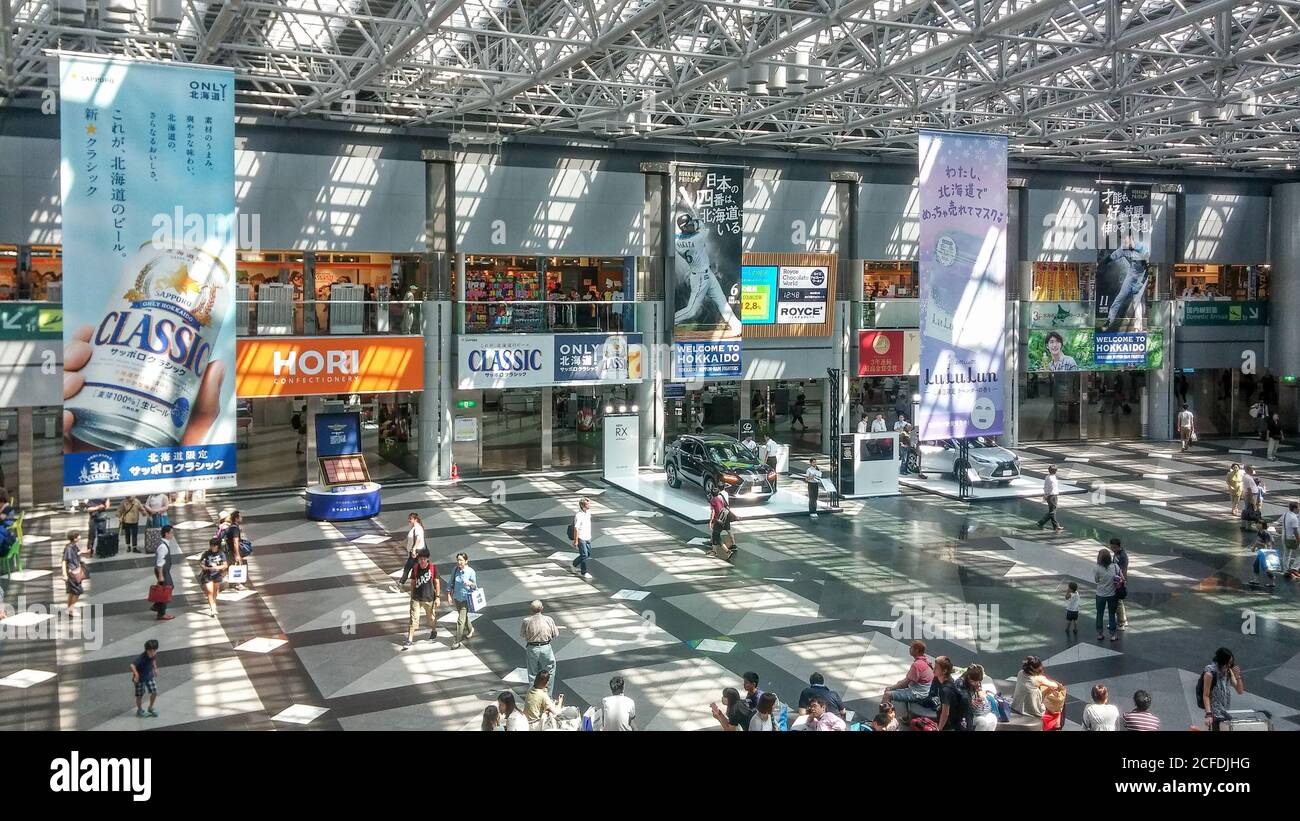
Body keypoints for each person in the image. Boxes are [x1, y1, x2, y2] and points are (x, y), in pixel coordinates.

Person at [673, 208, 742, 337]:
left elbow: (693, 230)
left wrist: (692, 224)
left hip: (707, 274)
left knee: (722, 302)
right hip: (699, 277)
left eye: (690, 224)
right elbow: (704, 228)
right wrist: (697, 221)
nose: (691, 226)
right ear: (683, 228)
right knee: (691, 311)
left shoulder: (678, 241)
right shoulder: (696, 238)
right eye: (688, 225)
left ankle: (736, 325)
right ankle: (671, 321)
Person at [1011, 656, 1066, 731]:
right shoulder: (1038, 679)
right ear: (1036, 669)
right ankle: (1057, 727)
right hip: (1031, 712)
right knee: (1059, 706)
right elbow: (1055, 686)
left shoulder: (1020, 673)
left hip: (1017, 706)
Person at [520, 600, 560, 695]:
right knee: (550, 671)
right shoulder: (548, 619)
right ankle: (548, 695)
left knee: (532, 673)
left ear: (531, 609)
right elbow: (555, 634)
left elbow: (522, 635)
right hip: (546, 647)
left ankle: (534, 695)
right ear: (542, 608)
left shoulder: (526, 621)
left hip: (532, 648)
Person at [403, 548, 440, 648]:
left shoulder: (432, 568)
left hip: (429, 598)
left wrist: (437, 597)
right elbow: (413, 582)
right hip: (416, 599)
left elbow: (436, 582)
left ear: (428, 559)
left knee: (431, 619)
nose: (422, 561)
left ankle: (434, 630)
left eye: (424, 559)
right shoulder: (415, 568)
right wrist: (412, 595)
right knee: (413, 619)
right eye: (420, 559)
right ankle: (409, 639)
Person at [1201, 648, 1246, 731]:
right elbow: (1206, 695)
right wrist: (1208, 714)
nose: (1230, 665)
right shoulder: (1210, 673)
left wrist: (1237, 676)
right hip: (1215, 713)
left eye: (1231, 663)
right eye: (1228, 663)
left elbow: (1240, 691)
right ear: (1222, 661)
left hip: (1224, 711)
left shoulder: (1228, 671)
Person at [882, 640, 934, 708]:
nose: (909, 649)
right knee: (898, 684)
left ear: (917, 650)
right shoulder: (925, 661)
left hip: (917, 694)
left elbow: (904, 684)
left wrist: (890, 688)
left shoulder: (917, 665)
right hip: (923, 691)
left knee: (887, 695)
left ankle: (884, 716)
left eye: (911, 647)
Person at [446, 552, 477, 649]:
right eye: (458, 560)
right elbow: (450, 583)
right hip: (457, 597)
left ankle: (457, 640)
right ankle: (471, 629)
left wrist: (470, 583)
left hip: (466, 599)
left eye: (461, 560)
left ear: (466, 561)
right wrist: (449, 595)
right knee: (463, 616)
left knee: (460, 620)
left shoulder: (471, 572)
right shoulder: (455, 570)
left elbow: (475, 587)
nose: (459, 562)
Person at [151, 524, 178, 621]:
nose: (172, 535)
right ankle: (161, 612)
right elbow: (160, 562)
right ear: (166, 534)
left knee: (165, 588)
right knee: (167, 589)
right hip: (162, 571)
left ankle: (157, 606)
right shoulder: (163, 546)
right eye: (171, 533)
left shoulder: (164, 543)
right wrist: (161, 576)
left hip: (164, 571)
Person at [933, 656, 967, 731]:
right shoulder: (949, 680)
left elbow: (945, 713)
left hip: (948, 725)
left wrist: (939, 728)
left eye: (936, 668)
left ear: (944, 671)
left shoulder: (945, 690)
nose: (934, 669)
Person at [1094, 548, 1121, 641]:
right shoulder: (1115, 567)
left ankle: (1100, 634)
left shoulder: (1097, 568)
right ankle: (1113, 635)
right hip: (1112, 595)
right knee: (1112, 614)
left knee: (1099, 614)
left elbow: (1096, 580)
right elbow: (1120, 578)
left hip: (1100, 595)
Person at [130, 639, 161, 718]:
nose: (152, 652)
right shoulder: (141, 658)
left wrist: (155, 669)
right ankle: (140, 710)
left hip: (149, 676)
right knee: (139, 695)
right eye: (150, 651)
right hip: (140, 679)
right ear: (146, 650)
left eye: (154, 650)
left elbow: (153, 660)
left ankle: (150, 707)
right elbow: (132, 665)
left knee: (154, 692)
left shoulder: (154, 654)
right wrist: (136, 675)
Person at [198, 537, 227, 618]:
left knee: (215, 591)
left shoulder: (221, 553)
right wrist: (204, 567)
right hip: (207, 575)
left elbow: (225, 565)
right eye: (211, 546)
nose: (213, 547)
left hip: (217, 575)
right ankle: (213, 608)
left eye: (214, 546)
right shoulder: (206, 553)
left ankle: (213, 603)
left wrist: (218, 568)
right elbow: (201, 562)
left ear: (218, 546)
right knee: (210, 592)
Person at [963, 664, 997, 731]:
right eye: (976, 681)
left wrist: (981, 697)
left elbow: (983, 698)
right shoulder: (962, 684)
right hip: (968, 715)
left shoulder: (977, 684)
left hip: (980, 712)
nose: (978, 683)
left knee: (993, 719)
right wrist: (970, 702)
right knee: (982, 722)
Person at [222, 509, 249, 592]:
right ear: (236, 518)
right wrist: (237, 554)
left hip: (229, 550)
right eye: (240, 516)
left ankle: (222, 580)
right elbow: (235, 542)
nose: (241, 518)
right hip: (232, 551)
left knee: (229, 566)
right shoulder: (235, 529)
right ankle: (238, 584)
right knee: (237, 565)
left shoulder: (231, 526)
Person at [706, 488, 735, 561]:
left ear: (711, 494)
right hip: (724, 518)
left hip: (718, 520)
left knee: (716, 536)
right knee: (714, 535)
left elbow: (713, 512)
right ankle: (714, 551)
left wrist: (710, 521)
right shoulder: (721, 497)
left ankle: (727, 551)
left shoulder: (713, 500)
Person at [569, 497, 594, 580]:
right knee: (584, 555)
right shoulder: (578, 515)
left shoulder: (588, 512)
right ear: (583, 506)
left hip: (588, 537)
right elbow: (576, 528)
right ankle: (584, 572)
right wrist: (576, 541)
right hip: (581, 537)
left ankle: (574, 564)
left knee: (588, 554)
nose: (589, 505)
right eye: (587, 504)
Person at [398, 512, 425, 585]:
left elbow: (418, 538)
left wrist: (414, 549)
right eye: (408, 519)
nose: (409, 520)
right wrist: (399, 545)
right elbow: (408, 539)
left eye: (410, 519)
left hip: (416, 552)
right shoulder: (414, 528)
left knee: (407, 568)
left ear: (415, 520)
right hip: (414, 552)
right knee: (414, 569)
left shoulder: (417, 528)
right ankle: (420, 584)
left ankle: (401, 583)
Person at [62, 531, 86, 608]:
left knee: (72, 592)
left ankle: (69, 609)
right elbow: (64, 561)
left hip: (75, 572)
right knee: (77, 592)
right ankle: (71, 609)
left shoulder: (73, 546)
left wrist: (82, 552)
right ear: (75, 538)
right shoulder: (69, 548)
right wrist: (64, 574)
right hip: (72, 573)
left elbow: (77, 553)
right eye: (78, 536)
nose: (80, 537)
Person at [1111, 538, 1130, 630]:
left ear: (1119, 546)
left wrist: (1121, 581)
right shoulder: (1117, 554)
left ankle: (1121, 623)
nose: (1112, 549)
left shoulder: (1122, 556)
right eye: (1111, 547)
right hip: (1117, 579)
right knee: (1119, 602)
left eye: (1114, 547)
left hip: (1119, 581)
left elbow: (1122, 570)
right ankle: (1123, 620)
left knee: (1118, 602)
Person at [1036, 464, 1062, 532]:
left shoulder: (1048, 477)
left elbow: (1046, 487)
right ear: (1055, 471)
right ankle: (1054, 525)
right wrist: (1046, 495)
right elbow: (1049, 488)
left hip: (1051, 496)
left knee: (1051, 511)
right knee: (1052, 512)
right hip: (1052, 496)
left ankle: (1053, 526)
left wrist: (1045, 495)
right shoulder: (1052, 478)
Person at [1282, 501, 1300, 579]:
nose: (1299, 509)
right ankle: (1294, 568)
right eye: (1298, 507)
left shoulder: (1285, 514)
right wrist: (1298, 540)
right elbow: (1295, 531)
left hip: (1284, 537)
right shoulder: (1294, 518)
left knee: (1286, 554)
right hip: (1291, 539)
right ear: (1295, 508)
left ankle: (1286, 571)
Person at [1242, 465, 1260, 530]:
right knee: (1250, 510)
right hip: (1251, 495)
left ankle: (1245, 524)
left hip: (1251, 494)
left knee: (1247, 509)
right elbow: (1249, 489)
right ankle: (1248, 526)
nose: (1253, 471)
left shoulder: (1247, 477)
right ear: (1248, 470)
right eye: (1251, 470)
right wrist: (1252, 498)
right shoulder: (1247, 478)